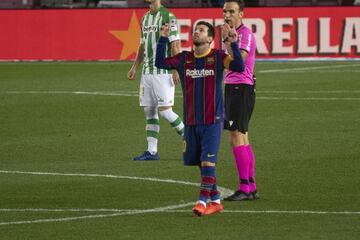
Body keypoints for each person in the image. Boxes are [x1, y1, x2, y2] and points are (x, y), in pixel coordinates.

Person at [156, 21, 245, 216]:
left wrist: (233, 43)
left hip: (213, 120)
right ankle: (216, 201)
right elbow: (160, 63)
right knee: (198, 162)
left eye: (202, 30)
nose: (197, 32)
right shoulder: (183, 59)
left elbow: (239, 66)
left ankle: (202, 202)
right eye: (196, 30)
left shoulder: (218, 57)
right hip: (190, 121)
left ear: (211, 39)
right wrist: (163, 38)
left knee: (207, 162)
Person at [127, 0, 184, 161]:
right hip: (147, 73)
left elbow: (175, 44)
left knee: (165, 111)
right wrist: (134, 68)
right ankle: (152, 151)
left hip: (163, 72)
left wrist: (175, 68)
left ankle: (192, 140)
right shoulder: (144, 18)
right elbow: (142, 45)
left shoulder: (170, 16)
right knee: (149, 111)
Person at [222, 0, 259, 201]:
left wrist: (229, 42)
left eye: (232, 11)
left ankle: (244, 188)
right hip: (236, 87)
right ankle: (251, 186)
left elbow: (238, 61)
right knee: (243, 137)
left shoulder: (244, 34)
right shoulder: (230, 34)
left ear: (241, 14)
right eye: (225, 11)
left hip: (240, 87)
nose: (227, 15)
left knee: (235, 137)